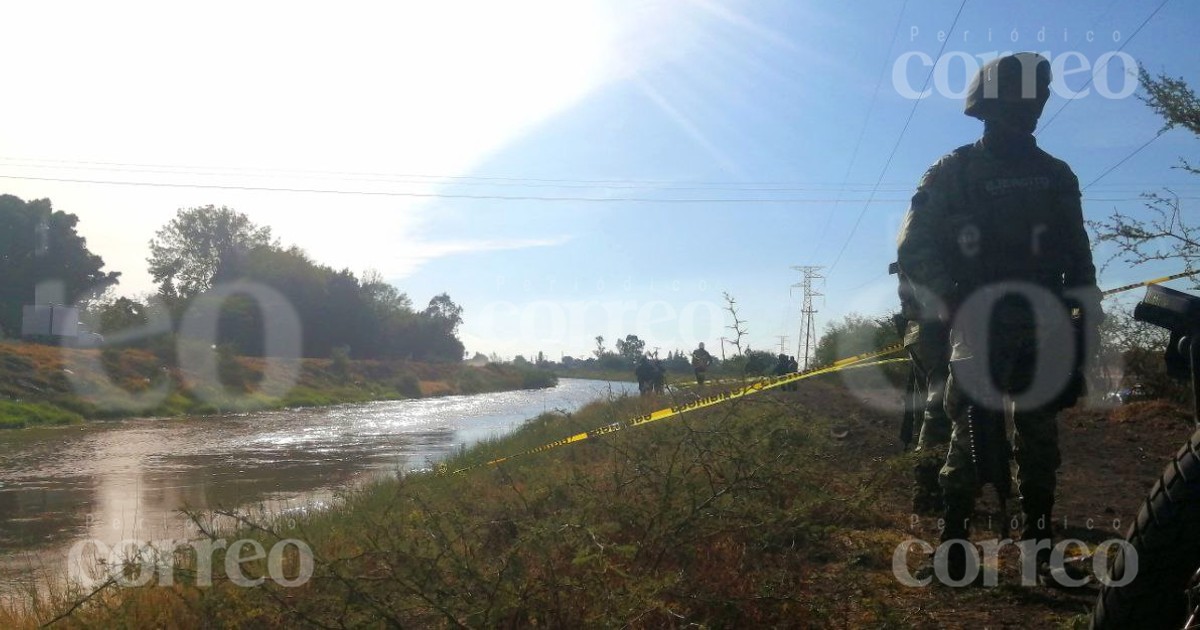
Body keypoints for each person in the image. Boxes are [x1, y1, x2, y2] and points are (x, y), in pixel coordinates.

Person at [896, 53, 1103, 582]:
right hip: (975, 320)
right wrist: (951, 301)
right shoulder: (953, 171)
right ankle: (955, 541)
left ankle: (1037, 542)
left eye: (1036, 100)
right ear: (989, 105)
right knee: (967, 432)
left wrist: (1085, 320)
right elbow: (915, 247)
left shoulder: (1055, 175)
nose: (1031, 109)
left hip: (1041, 322)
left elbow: (1077, 253)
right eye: (1020, 100)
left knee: (1039, 439)